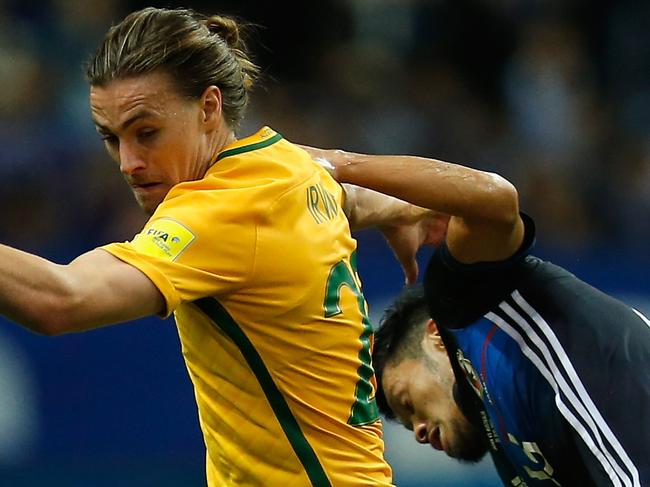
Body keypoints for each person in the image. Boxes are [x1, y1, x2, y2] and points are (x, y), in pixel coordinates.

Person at [0, 7, 399, 486]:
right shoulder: (285, 167)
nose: (128, 163)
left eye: (146, 133)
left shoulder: (217, 212)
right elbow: (356, 199)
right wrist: (409, 212)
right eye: (111, 138)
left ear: (209, 107)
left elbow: (62, 300)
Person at [302, 147, 650, 486]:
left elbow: (494, 200)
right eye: (410, 426)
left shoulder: (463, 304)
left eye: (408, 403)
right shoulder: (514, 456)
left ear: (434, 336)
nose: (419, 431)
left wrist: (341, 167)